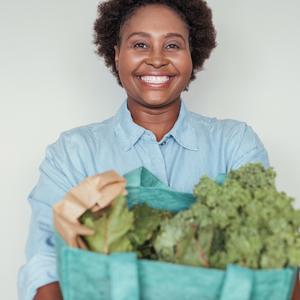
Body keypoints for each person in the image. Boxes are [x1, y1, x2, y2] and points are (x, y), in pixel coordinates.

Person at [19, 0, 293, 299]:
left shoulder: (234, 143)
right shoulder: (74, 153)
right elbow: (44, 262)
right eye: (140, 44)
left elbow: (269, 247)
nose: (157, 59)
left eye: (173, 45)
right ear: (117, 55)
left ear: (192, 55)